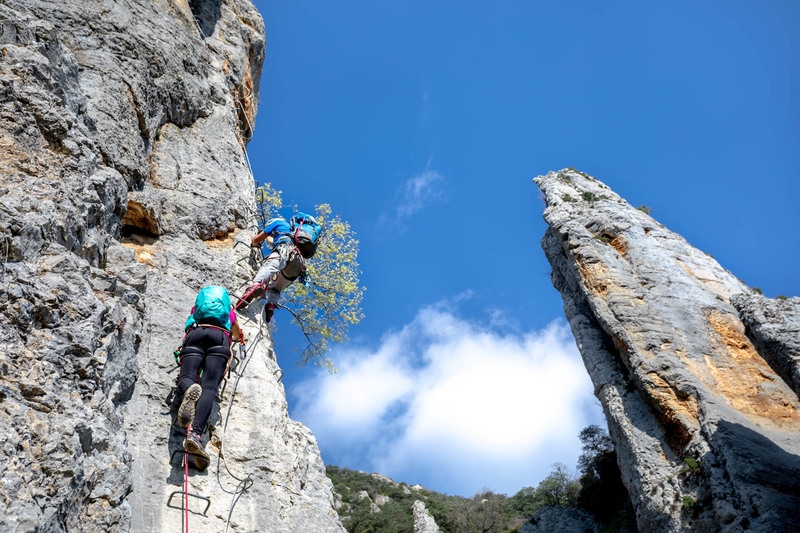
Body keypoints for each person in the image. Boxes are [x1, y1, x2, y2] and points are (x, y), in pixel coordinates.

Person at [176, 285, 243, 470]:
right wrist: (238, 335)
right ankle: (195, 435)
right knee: (209, 386)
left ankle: (189, 388)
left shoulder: (197, 310)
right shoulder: (228, 312)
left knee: (186, 378)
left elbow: (188, 322)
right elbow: (236, 334)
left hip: (196, 334)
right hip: (220, 338)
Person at [234, 216, 308, 321]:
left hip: (284, 250)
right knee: (275, 289)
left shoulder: (276, 223)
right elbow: (272, 242)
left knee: (268, 266)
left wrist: (255, 242)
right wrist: (269, 238)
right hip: (297, 265)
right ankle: (271, 305)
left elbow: (256, 240)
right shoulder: (290, 231)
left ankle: (254, 287)